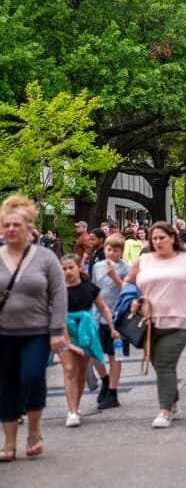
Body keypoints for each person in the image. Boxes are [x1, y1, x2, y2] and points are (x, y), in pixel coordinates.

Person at [123, 221, 186, 428]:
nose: (158, 241)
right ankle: (173, 400)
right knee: (159, 365)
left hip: (180, 321)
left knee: (165, 363)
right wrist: (131, 299)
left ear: (172, 238)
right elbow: (127, 282)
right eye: (154, 238)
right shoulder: (144, 261)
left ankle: (164, 411)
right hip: (149, 322)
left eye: (162, 237)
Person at [0, 195, 66, 461]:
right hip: (3, 333)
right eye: (6, 226)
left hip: (37, 332)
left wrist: (57, 330)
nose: (11, 230)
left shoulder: (45, 258)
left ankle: (34, 431)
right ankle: (9, 443)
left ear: (29, 228)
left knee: (31, 377)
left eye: (17, 225)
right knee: (5, 385)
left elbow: (58, 294)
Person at [59, 254, 117, 427]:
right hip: (65, 330)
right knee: (69, 369)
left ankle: (75, 406)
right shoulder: (58, 290)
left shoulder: (89, 288)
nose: (67, 271)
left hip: (84, 331)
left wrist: (113, 327)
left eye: (70, 267)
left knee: (82, 370)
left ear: (79, 268)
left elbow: (103, 307)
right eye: (64, 268)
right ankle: (72, 411)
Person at [90, 234, 130, 410]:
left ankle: (112, 391)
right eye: (108, 249)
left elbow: (129, 290)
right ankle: (105, 380)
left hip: (117, 316)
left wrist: (115, 277)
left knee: (115, 355)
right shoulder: (97, 266)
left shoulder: (125, 268)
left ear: (121, 252)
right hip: (97, 315)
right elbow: (93, 288)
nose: (111, 252)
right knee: (94, 353)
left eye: (115, 250)